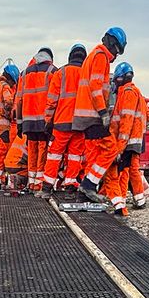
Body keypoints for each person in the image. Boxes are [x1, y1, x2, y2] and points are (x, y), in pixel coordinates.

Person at [73, 27, 127, 203]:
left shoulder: (93, 55)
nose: (116, 55)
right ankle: (88, 185)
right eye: (117, 51)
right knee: (111, 149)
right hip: (93, 114)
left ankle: (85, 191)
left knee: (94, 153)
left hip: (84, 114)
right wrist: (103, 112)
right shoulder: (101, 56)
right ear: (113, 44)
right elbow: (96, 87)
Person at [41, 43, 87, 193]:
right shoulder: (87, 73)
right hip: (81, 124)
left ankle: (47, 187)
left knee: (54, 155)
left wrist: (48, 120)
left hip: (61, 122)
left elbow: (52, 99)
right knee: (75, 156)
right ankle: (70, 186)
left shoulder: (61, 73)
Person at [101, 62, 145, 218]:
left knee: (117, 172)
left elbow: (126, 121)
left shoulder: (126, 93)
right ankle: (136, 200)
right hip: (135, 141)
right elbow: (148, 117)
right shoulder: (137, 92)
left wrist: (119, 147)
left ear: (120, 78)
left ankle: (120, 206)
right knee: (130, 170)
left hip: (125, 141)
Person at [14, 48, 58, 192]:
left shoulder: (24, 73)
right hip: (44, 120)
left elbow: (19, 100)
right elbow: (54, 98)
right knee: (43, 150)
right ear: (50, 58)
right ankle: (39, 183)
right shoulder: (52, 71)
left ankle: (31, 183)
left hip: (28, 120)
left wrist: (19, 123)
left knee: (32, 149)